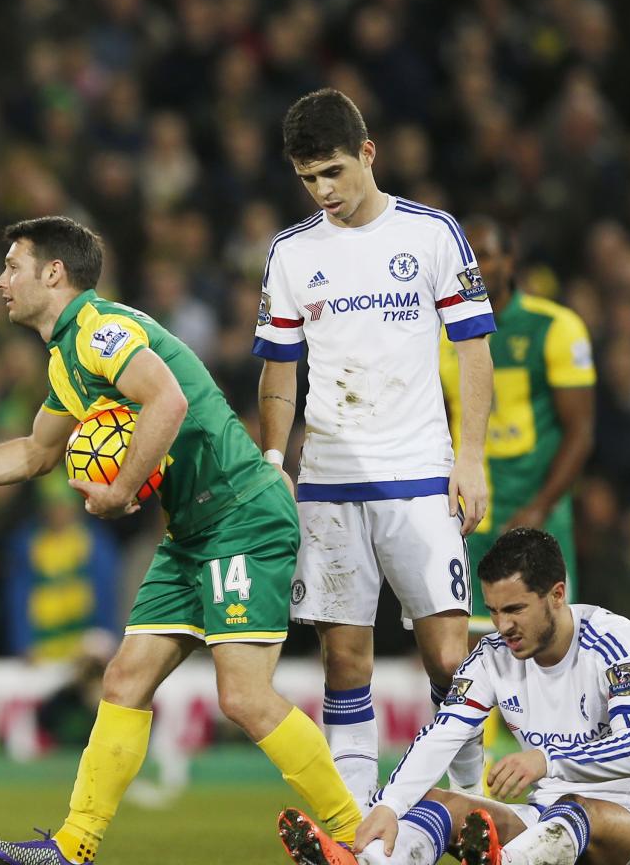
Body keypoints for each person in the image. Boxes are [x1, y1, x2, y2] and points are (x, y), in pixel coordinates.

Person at [0, 216, 360, 865]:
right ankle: (72, 847)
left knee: (242, 695)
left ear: (53, 273)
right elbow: (37, 452)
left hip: (241, 513)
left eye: (13, 265)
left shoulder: (102, 330)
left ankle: (359, 837)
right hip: (192, 530)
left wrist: (122, 488)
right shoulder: (66, 359)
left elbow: (167, 402)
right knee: (124, 679)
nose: (0, 281)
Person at [255, 88, 497, 809]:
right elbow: (279, 369)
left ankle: (474, 802)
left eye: (333, 171)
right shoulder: (292, 253)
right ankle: (357, 825)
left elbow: (474, 351)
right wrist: (274, 461)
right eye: (308, 178)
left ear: (367, 153)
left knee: (449, 659)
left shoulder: (432, 234)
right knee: (344, 663)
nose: (323, 191)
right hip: (329, 481)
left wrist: (471, 457)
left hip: (421, 474)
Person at [278, 528, 630, 865]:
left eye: (515, 609)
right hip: (542, 824)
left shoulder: (615, 644)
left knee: (576, 809)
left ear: (557, 594)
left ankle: (505, 861)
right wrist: (389, 805)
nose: (503, 625)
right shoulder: (493, 656)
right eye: (494, 610)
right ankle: (368, 862)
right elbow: (443, 732)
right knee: (436, 803)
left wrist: (546, 759)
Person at [438, 217, 595, 633]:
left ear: (510, 261)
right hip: (467, 520)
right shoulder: (439, 334)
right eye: (466, 258)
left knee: (548, 640)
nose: (473, 268)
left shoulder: (555, 327)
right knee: (468, 645)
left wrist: (540, 507)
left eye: (485, 255)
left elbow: (580, 432)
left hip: (536, 516)